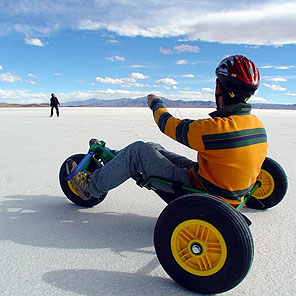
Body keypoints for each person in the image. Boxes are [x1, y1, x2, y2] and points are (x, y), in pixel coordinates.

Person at [66, 55, 267, 206]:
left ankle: (91, 187)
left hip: (204, 191)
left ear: (219, 88)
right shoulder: (255, 124)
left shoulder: (215, 129)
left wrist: (156, 104)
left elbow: (168, 124)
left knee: (138, 151)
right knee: (153, 147)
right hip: (223, 183)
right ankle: (117, 161)